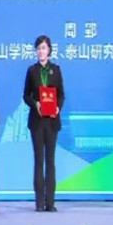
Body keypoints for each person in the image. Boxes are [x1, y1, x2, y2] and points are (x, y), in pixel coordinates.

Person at [23, 35, 65, 212]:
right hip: (37, 121)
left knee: (51, 161)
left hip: (52, 121)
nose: (41, 51)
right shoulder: (32, 71)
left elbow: (61, 94)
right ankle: (39, 202)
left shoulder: (56, 70)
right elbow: (26, 95)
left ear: (49, 50)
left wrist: (57, 107)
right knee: (39, 160)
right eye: (39, 48)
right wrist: (36, 104)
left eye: (44, 48)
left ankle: (50, 202)